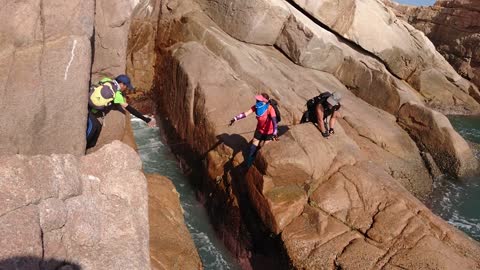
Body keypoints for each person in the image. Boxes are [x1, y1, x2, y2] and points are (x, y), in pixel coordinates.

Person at [86, 74, 156, 149]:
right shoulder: (117, 95)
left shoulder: (106, 80)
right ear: (121, 84)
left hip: (87, 103)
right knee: (93, 135)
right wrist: (146, 119)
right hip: (92, 113)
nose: (126, 88)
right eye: (126, 86)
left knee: (95, 129)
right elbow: (130, 109)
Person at [229, 93, 278, 167]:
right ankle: (249, 164)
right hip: (259, 130)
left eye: (259, 100)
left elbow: (275, 122)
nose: (257, 102)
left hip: (269, 132)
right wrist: (235, 118)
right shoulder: (256, 107)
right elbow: (246, 113)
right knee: (252, 148)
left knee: (264, 151)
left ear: (264, 102)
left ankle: (258, 165)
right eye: (257, 100)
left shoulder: (270, 109)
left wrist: (275, 133)